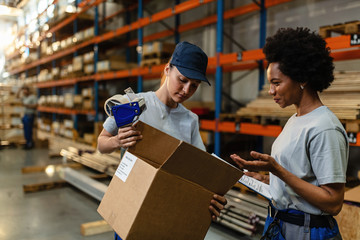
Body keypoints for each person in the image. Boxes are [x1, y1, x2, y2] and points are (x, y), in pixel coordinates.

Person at [97, 41, 227, 240]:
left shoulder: (190, 120)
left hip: (168, 209)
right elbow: (101, 144)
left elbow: (200, 169)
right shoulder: (133, 104)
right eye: (182, 80)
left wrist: (212, 197)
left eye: (194, 85)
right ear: (167, 69)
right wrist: (117, 141)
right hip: (131, 205)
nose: (186, 90)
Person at [231, 27, 349, 240]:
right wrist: (264, 179)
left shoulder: (324, 127)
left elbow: (333, 202)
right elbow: (301, 178)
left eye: (276, 83)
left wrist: (277, 170)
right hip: (281, 224)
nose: (271, 91)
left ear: (302, 78)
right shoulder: (295, 120)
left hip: (308, 232)